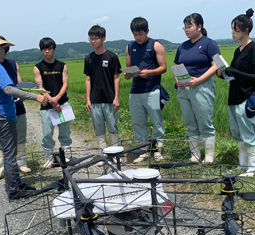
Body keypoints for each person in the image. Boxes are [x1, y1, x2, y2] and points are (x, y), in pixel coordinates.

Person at [0, 30, 48, 199]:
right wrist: (36, 97)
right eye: (1, 47)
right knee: (10, 153)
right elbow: (9, 89)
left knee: (8, 151)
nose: (4, 51)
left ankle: (16, 182)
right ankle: (14, 189)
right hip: (4, 115)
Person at [217, 9, 255, 176]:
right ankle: (243, 165)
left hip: (247, 98)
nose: (232, 33)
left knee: (249, 134)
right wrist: (223, 74)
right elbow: (235, 76)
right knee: (238, 134)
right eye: (232, 29)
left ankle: (254, 168)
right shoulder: (238, 51)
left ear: (246, 30)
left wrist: (234, 72)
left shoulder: (254, 49)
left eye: (235, 30)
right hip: (233, 97)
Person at [173, 13, 221, 164]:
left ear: (199, 27)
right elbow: (176, 65)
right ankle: (194, 155)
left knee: (204, 122)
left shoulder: (209, 44)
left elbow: (216, 66)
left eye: (190, 26)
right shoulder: (182, 46)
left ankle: (209, 157)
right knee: (190, 123)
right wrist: (178, 80)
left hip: (202, 86)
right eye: (185, 27)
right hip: (184, 88)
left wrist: (199, 80)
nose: (186, 30)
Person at [0, 38, 32, 184]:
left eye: (6, 50)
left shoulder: (13, 64)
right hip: (2, 110)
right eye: (1, 50)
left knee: (20, 136)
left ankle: (22, 163)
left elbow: (18, 85)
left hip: (17, 106)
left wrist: (25, 93)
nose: (4, 53)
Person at [123, 17, 168, 163]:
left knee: (156, 120)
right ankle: (143, 150)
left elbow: (163, 67)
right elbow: (128, 67)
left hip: (152, 89)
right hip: (135, 90)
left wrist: (149, 72)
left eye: (140, 34)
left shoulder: (156, 45)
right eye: (135, 34)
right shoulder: (130, 47)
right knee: (138, 122)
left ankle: (157, 150)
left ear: (147, 31)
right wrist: (127, 74)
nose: (138, 37)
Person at [33, 37, 73, 168]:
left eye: (49, 49)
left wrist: (57, 98)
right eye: (44, 49)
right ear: (41, 51)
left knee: (65, 132)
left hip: (62, 104)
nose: (47, 52)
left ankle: (66, 154)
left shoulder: (62, 65)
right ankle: (49, 157)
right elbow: (39, 86)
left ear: (54, 49)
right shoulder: (38, 67)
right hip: (46, 106)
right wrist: (51, 100)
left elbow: (65, 83)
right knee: (47, 133)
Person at [84, 25, 122, 158]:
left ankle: (116, 152)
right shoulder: (88, 58)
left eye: (96, 38)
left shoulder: (111, 57)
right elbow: (88, 79)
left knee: (112, 126)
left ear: (103, 38)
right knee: (98, 128)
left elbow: (116, 77)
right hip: (95, 100)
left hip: (109, 98)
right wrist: (88, 99)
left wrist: (116, 97)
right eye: (91, 39)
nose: (93, 41)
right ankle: (103, 153)